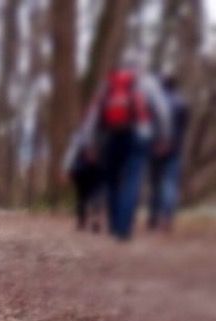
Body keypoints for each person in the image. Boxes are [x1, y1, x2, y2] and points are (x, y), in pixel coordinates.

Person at [91, 61, 172, 240]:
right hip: (139, 134)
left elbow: (95, 113)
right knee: (132, 179)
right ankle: (123, 228)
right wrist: (164, 137)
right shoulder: (148, 82)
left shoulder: (109, 83)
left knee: (112, 180)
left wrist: (93, 142)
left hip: (112, 134)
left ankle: (113, 225)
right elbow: (162, 111)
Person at [148, 75, 190, 231]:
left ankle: (153, 218)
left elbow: (150, 126)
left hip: (155, 147)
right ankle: (167, 217)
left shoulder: (155, 104)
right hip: (175, 148)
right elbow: (184, 127)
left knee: (156, 183)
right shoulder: (183, 104)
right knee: (170, 182)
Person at [64, 123, 104, 231]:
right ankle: (94, 218)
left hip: (81, 169)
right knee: (95, 193)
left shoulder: (79, 134)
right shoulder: (102, 134)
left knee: (82, 195)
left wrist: (67, 168)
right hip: (95, 168)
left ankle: (82, 221)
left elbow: (71, 152)